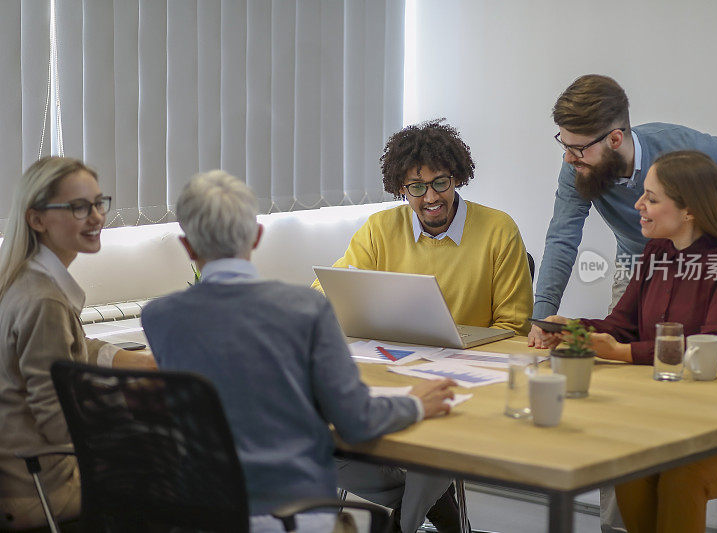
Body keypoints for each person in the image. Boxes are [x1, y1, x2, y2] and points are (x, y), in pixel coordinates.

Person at [141, 171, 456, 533]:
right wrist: (415, 402)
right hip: (294, 516)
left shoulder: (159, 317)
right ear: (257, 236)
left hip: (202, 514)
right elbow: (356, 420)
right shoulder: (305, 307)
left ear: (187, 246)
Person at [534, 150, 717, 533]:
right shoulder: (656, 254)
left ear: (689, 209)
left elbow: (713, 347)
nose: (638, 205)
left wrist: (622, 353)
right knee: (630, 464)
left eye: (652, 199)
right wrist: (569, 328)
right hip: (681, 420)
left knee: (681, 478)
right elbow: (620, 326)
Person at [313, 119, 533, 532]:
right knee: (317, 428)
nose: (431, 197)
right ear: (402, 189)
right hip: (388, 366)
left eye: (440, 183)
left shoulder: (498, 229)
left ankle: (405, 524)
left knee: (434, 428)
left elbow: (514, 325)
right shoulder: (380, 229)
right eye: (417, 187)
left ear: (458, 178)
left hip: (466, 372)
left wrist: (461, 345)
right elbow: (331, 291)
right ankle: (434, 506)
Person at [532, 74, 717, 332]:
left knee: (698, 355)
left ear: (614, 139)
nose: (568, 158)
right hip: (636, 269)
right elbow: (562, 239)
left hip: (701, 268)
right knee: (622, 353)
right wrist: (542, 321)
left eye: (577, 148)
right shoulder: (578, 166)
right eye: (564, 145)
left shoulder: (683, 149)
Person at [0, 156, 156, 530]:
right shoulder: (44, 301)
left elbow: (73, 345)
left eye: (99, 203)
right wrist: (128, 418)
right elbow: (55, 417)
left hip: (25, 475)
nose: (97, 217)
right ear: (37, 220)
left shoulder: (25, 281)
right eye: (78, 207)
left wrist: (141, 363)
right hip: (40, 489)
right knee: (181, 473)